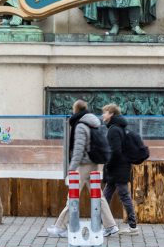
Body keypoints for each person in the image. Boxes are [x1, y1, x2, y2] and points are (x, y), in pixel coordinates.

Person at [47, 99, 117, 236]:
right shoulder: (93, 123)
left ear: (75, 110)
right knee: (98, 196)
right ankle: (110, 225)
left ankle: (60, 226)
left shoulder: (80, 125)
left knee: (73, 196)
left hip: (84, 165)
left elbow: (78, 150)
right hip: (93, 163)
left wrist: (71, 169)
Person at [101, 103, 139, 234]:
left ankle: (132, 226)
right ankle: (104, 224)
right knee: (105, 196)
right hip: (119, 167)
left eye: (105, 112)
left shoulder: (114, 129)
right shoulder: (118, 128)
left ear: (111, 114)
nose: (102, 115)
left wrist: (108, 165)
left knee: (123, 195)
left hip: (117, 168)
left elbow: (115, 151)